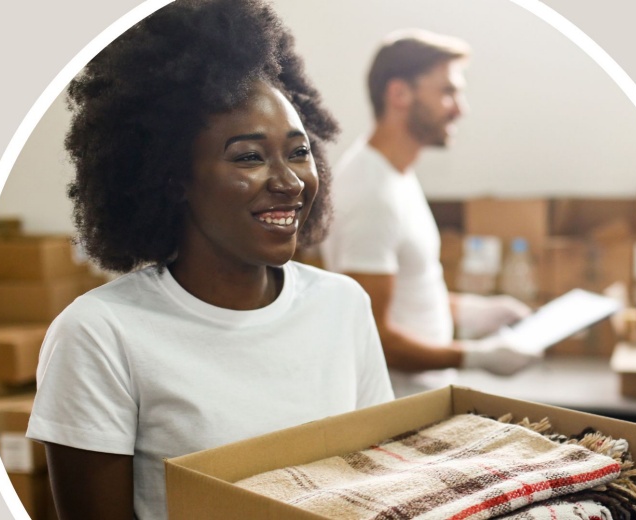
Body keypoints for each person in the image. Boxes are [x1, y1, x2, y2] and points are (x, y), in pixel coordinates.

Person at [24, 2, 394, 519]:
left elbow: (382, 489)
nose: (289, 182)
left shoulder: (342, 305)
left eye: (298, 151)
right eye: (248, 156)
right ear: (172, 178)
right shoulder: (100, 334)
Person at [320, 29, 537, 396]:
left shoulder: (395, 176)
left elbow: (408, 291)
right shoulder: (371, 193)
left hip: (424, 397)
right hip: (397, 408)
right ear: (399, 94)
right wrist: (475, 357)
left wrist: (473, 311)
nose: (460, 108)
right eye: (448, 91)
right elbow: (374, 335)